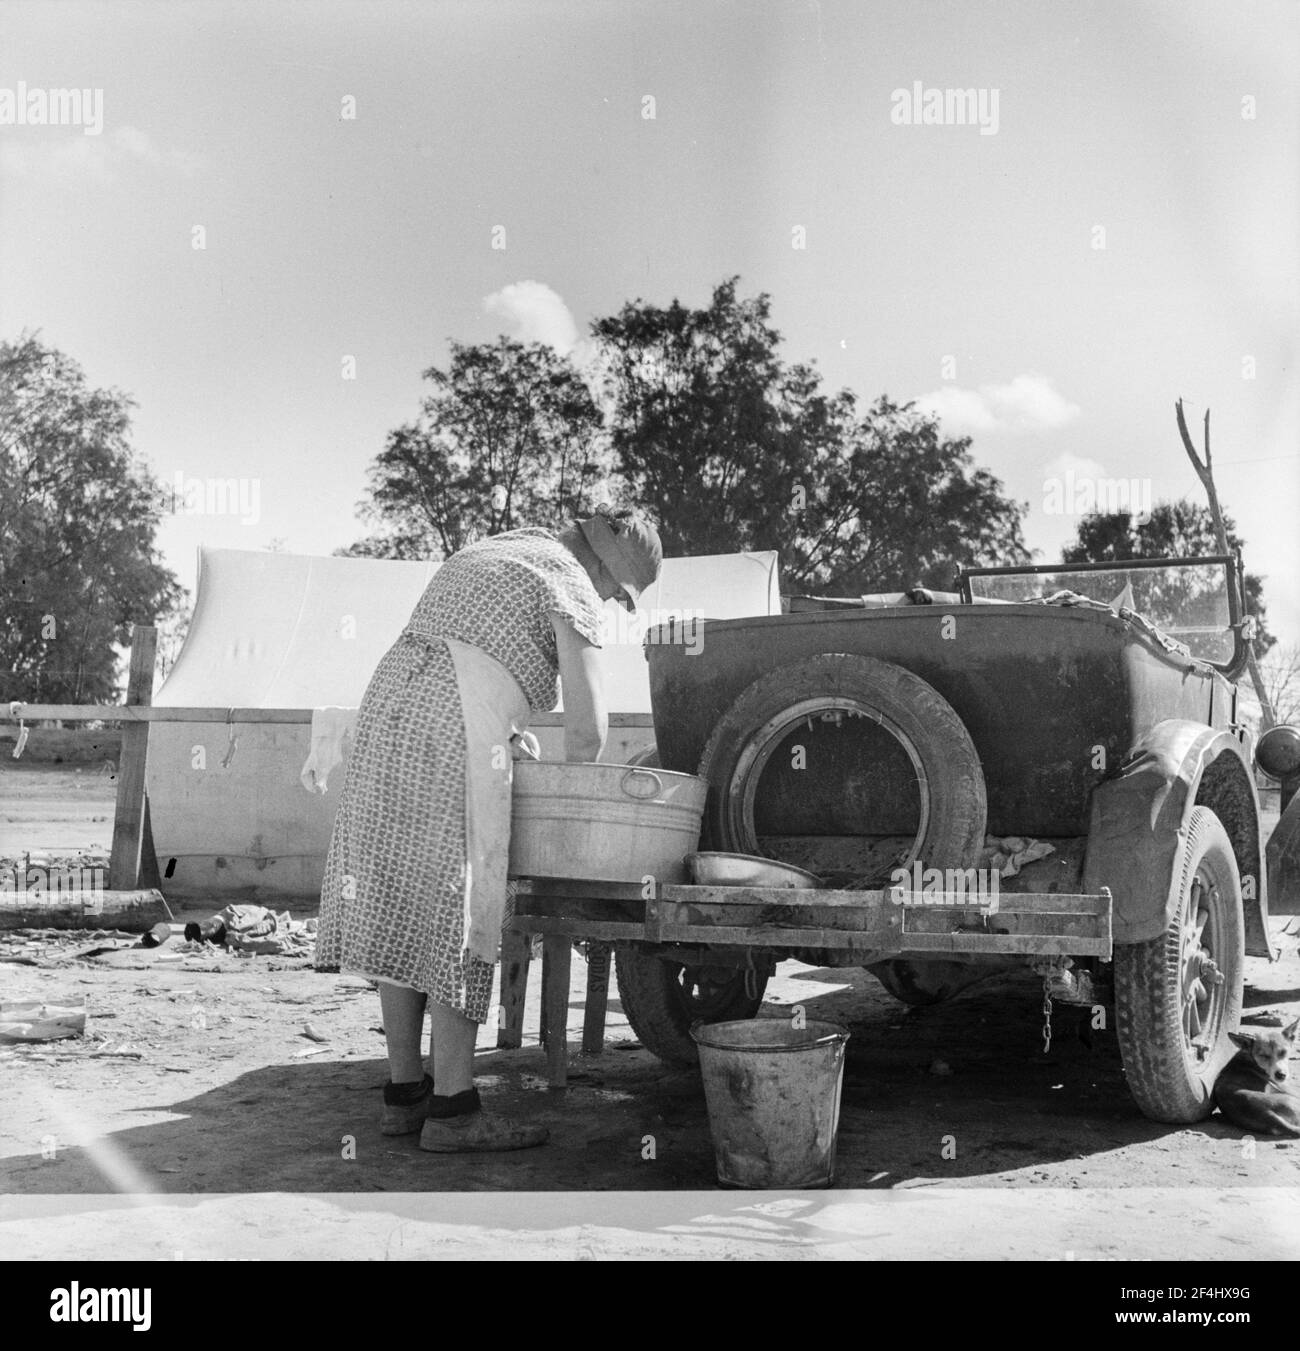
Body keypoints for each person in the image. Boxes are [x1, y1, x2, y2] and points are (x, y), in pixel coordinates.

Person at [314, 506, 663, 1152]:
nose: (612, 601)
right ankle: (454, 1108)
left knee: (405, 902)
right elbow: (589, 731)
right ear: (607, 567)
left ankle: (405, 1092)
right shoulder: (570, 583)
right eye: (620, 591)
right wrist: (567, 810)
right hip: (453, 728)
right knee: (460, 908)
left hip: (387, 709)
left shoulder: (491, 550)